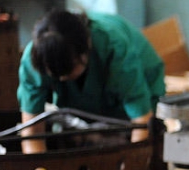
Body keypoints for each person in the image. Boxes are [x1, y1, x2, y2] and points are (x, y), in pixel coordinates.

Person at [16, 9, 165, 153]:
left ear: (87, 46)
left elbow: (141, 121)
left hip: (141, 86)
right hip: (88, 102)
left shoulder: (114, 47)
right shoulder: (34, 61)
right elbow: (32, 131)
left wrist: (133, 168)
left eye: (68, 71)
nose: (62, 79)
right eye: (56, 76)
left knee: (129, 143)